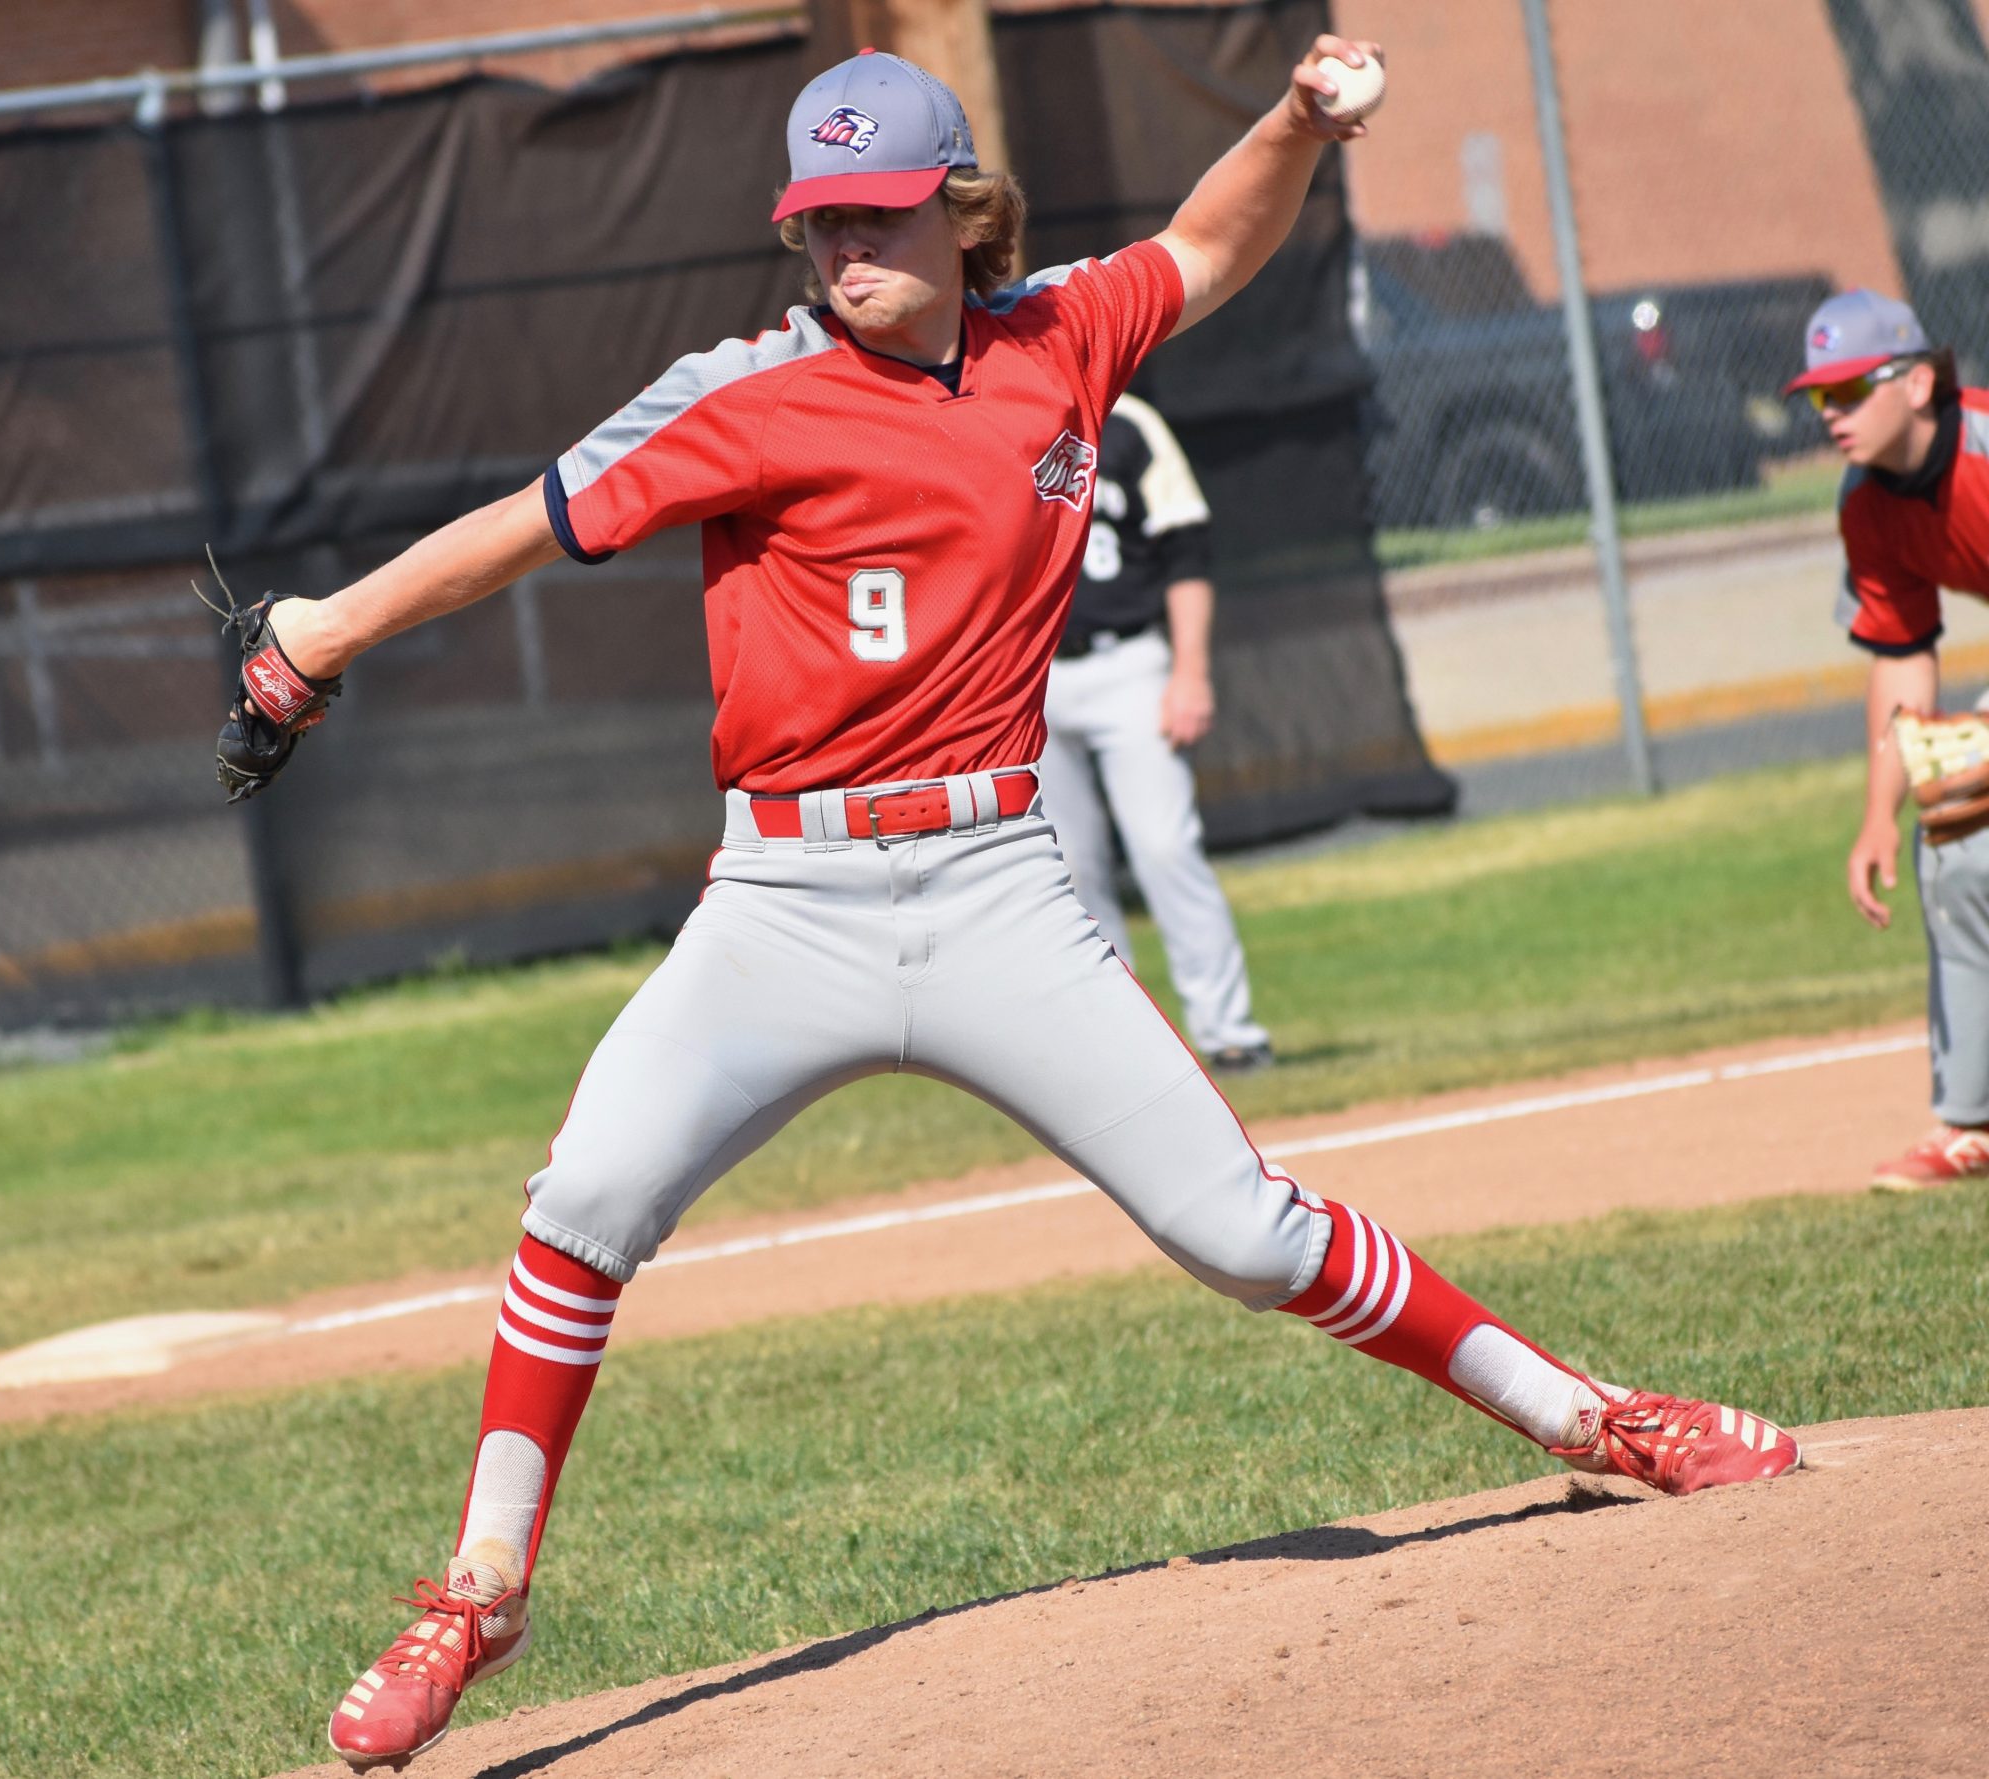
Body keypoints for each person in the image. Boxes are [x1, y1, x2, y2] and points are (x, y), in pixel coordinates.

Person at [251, 45, 1800, 1770]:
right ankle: (476, 1590)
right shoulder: (741, 393)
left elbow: (1209, 248)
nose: (844, 248)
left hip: (994, 884)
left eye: (879, 215)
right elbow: (521, 528)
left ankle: (1592, 1412)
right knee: (585, 1198)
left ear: (959, 212)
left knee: (1244, 1232)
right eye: (819, 219)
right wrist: (323, 632)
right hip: (786, 895)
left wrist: (1292, 121)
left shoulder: (1057, 335)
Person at [1794, 289, 1989, 1189]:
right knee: (1952, 833)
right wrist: (1879, 815)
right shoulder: (1867, 502)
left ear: (1917, 384)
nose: (1832, 415)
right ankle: (1970, 1124)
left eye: (1850, 390)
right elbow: (1903, 658)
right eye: (1819, 398)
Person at [1040, 391, 1274, 1071]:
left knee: (1166, 846)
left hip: (1130, 665)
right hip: (1031, 680)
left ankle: (1230, 1028)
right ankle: (1125, 1048)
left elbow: (1187, 552)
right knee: (1069, 868)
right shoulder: (985, 417)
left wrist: (1191, 672)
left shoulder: (1127, 423)